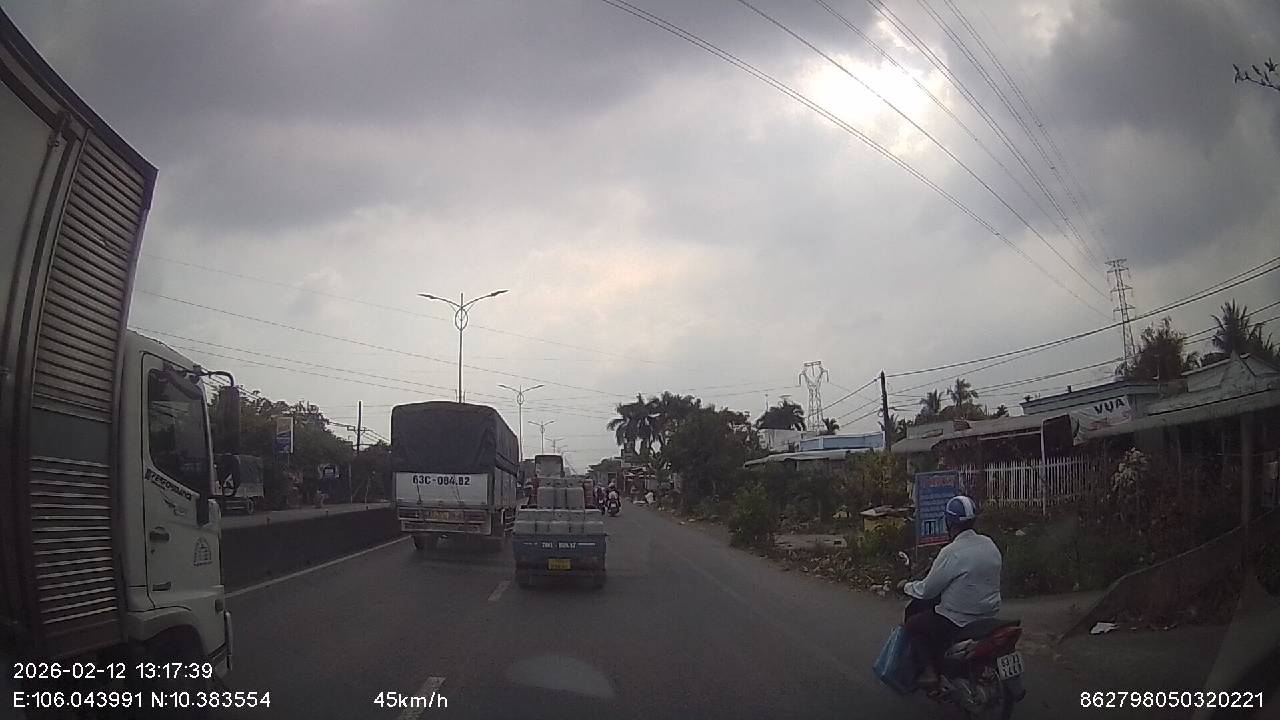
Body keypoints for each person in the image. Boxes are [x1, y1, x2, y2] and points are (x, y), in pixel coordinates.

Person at [899, 495, 1002, 688]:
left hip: (957, 620)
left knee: (914, 624)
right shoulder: (989, 544)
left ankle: (930, 671)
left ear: (949, 523)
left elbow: (927, 590)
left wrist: (906, 586)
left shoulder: (951, 552)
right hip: (990, 615)